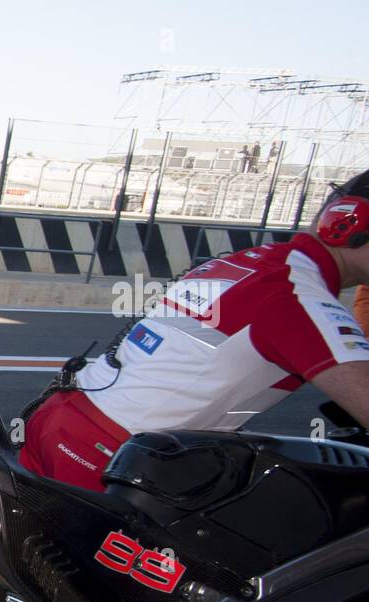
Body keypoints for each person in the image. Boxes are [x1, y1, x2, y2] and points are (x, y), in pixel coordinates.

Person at [19, 170, 369, 493]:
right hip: (112, 454)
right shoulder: (297, 296)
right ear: (348, 224)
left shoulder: (249, 261)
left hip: (63, 416)